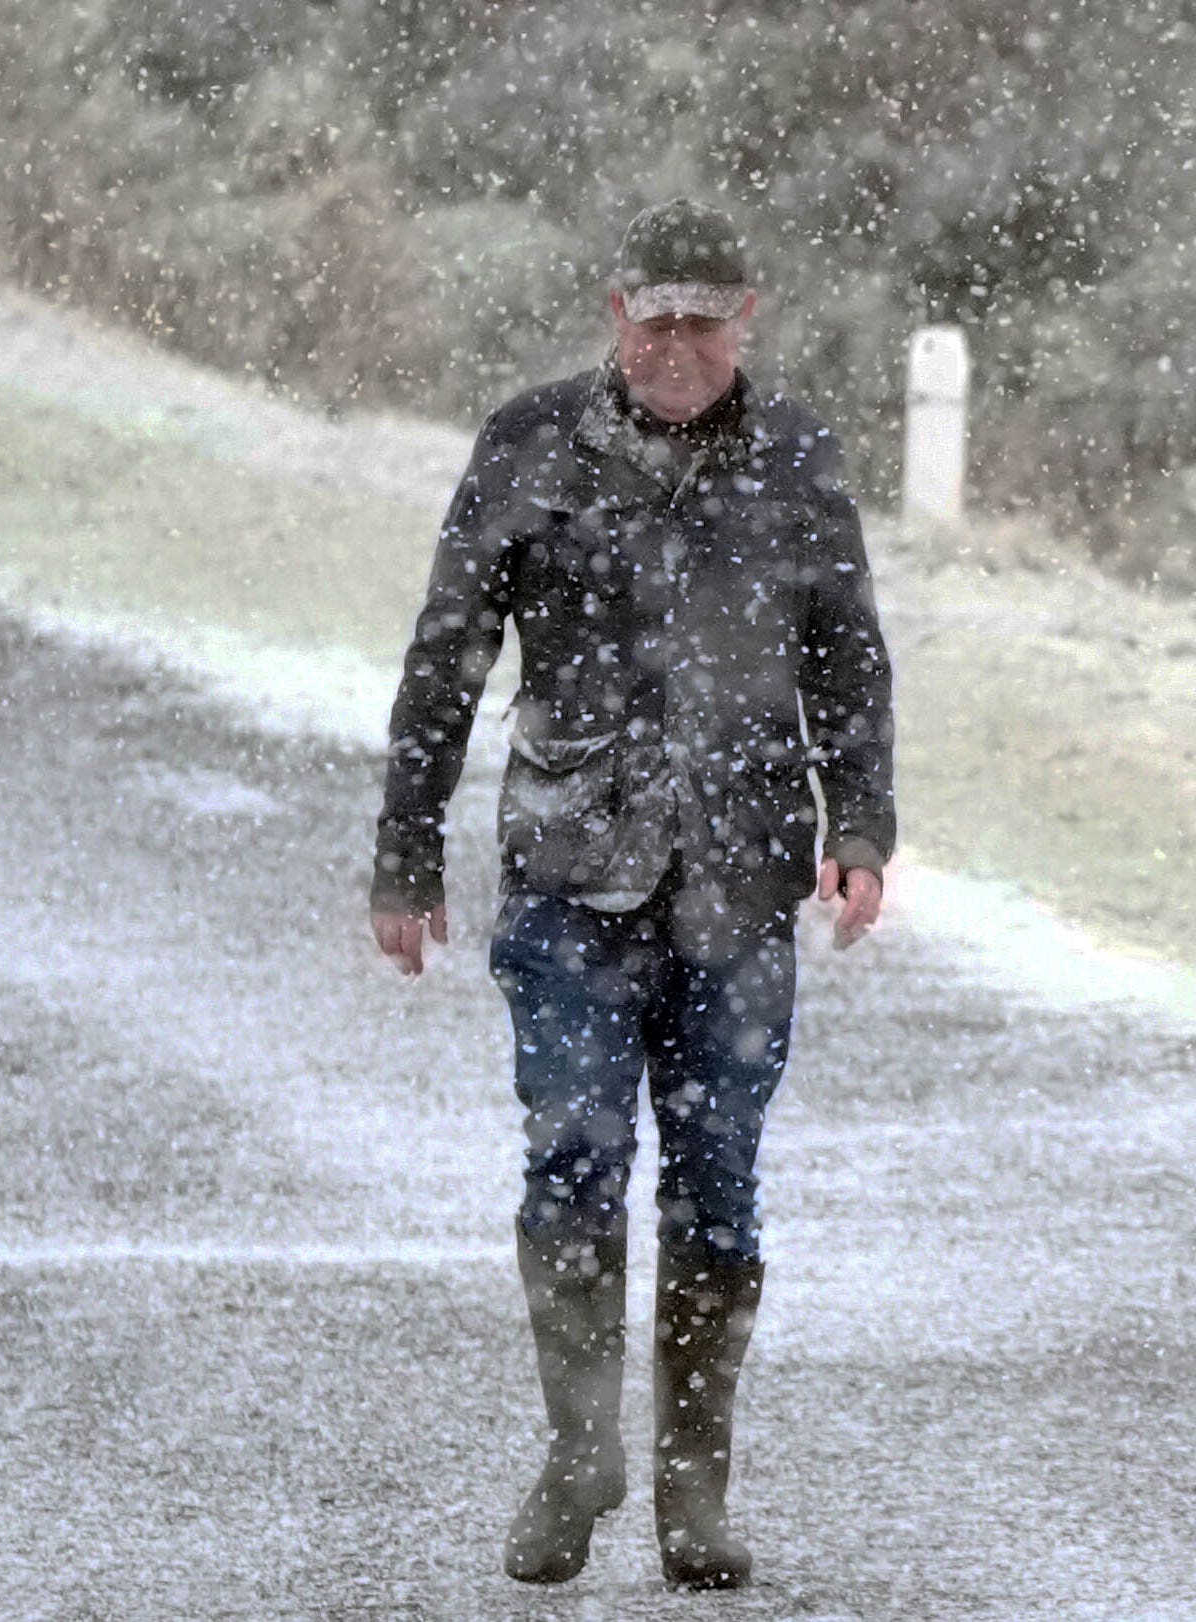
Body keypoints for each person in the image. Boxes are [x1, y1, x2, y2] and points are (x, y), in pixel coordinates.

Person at [367, 198, 893, 1590]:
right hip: (567, 873)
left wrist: (864, 828)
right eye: (652, 317)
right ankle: (580, 1443)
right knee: (572, 1155)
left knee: (719, 1185)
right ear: (615, 313)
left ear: (746, 316)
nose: (674, 344)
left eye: (700, 321)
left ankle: (691, 1484)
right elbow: (447, 653)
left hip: (739, 877)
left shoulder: (796, 453)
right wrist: (405, 854)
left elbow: (847, 654)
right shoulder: (529, 439)